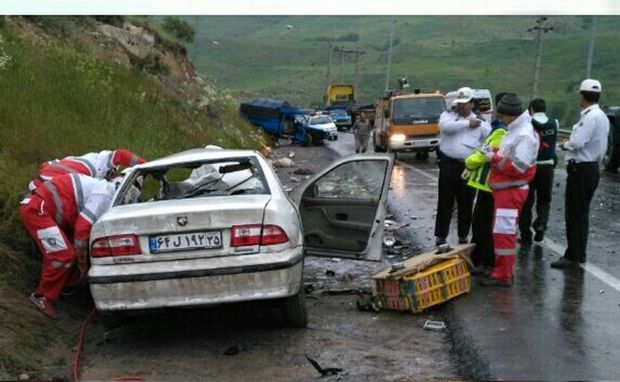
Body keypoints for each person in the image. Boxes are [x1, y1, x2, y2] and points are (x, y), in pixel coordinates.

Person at [20, 174, 117, 319]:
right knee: (63, 255)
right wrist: (82, 261)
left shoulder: (102, 189)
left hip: (44, 208)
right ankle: (41, 296)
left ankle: (66, 288)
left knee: (72, 249)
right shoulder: (104, 194)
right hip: (37, 210)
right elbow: (82, 228)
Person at [479, 93, 539, 287]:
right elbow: (509, 156)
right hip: (506, 191)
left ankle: (503, 275)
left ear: (511, 115)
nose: (499, 119)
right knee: (501, 232)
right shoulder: (514, 130)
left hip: (511, 192)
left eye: (501, 116)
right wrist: (495, 153)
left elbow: (518, 168)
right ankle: (502, 271)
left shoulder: (524, 135)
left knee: (504, 234)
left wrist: (494, 159)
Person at [551, 79, 609, 269]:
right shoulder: (601, 116)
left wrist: (564, 144)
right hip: (591, 168)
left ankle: (573, 256)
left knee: (575, 214)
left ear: (582, 96)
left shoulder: (590, 117)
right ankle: (578, 254)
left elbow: (577, 142)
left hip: (581, 170)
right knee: (582, 214)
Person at [435, 87, 491, 246]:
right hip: (448, 164)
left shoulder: (480, 122)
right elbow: (445, 127)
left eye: (465, 103)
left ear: (472, 104)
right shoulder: (448, 116)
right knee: (445, 200)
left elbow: (489, 139)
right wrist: (468, 123)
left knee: (466, 201)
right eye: (459, 103)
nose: (461, 106)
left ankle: (463, 234)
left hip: (468, 167)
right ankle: (441, 235)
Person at [463, 92, 507, 274]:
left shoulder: (501, 131)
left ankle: (485, 262)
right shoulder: (498, 129)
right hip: (486, 186)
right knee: (480, 224)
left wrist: (469, 163)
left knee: (484, 226)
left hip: (490, 186)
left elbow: (484, 154)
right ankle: (479, 258)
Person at [518, 98, 558, 246]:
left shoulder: (527, 123)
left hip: (531, 166)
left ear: (531, 109)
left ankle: (525, 234)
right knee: (544, 200)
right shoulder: (554, 122)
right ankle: (541, 224)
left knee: (527, 201)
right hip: (547, 167)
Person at [28, 148, 146, 192]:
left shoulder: (83, 159)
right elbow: (121, 154)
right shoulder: (98, 166)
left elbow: (46, 165)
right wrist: (146, 166)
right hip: (49, 187)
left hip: (37, 184)